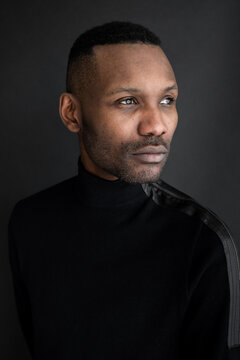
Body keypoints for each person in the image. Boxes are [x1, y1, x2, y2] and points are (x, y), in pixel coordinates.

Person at [8, 21, 240, 360]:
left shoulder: (203, 242)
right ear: (72, 113)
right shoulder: (27, 221)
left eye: (167, 99)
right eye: (128, 100)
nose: (157, 125)